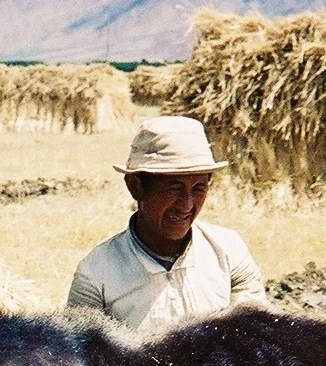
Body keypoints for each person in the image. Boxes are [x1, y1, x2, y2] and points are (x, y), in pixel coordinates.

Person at [65, 115, 265, 336]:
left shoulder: (229, 250)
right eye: (174, 188)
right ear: (136, 187)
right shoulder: (96, 273)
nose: (186, 205)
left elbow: (255, 336)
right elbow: (79, 351)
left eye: (198, 189)